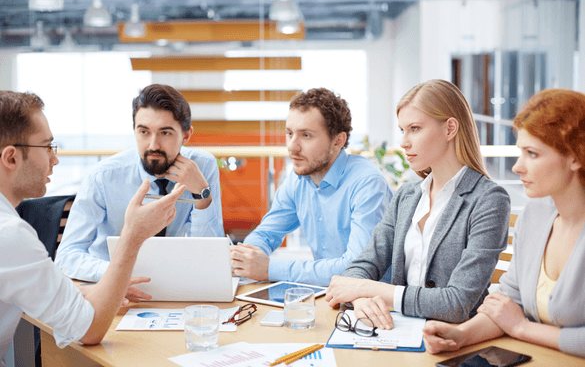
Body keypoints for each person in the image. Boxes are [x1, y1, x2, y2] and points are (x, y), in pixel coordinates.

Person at [0, 90, 186, 365]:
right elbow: (88, 329)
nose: (55, 160)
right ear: (11, 158)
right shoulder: (10, 235)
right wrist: (132, 236)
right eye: (47, 147)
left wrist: (82, 292)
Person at [325, 79, 511, 329]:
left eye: (414, 128)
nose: (404, 142)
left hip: (458, 341)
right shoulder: (407, 196)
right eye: (402, 130)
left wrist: (367, 288)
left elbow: (457, 303)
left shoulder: (489, 200)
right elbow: (362, 266)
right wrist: (360, 299)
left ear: (450, 129)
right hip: (399, 331)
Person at [423, 89, 585, 358]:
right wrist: (462, 335)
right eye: (520, 152)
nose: (517, 168)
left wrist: (522, 328)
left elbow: (515, 321)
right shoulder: (536, 214)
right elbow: (508, 304)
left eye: (532, 154)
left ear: (575, 157)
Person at [55, 84, 224, 283]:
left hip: (172, 282)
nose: (153, 145)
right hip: (109, 283)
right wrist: (119, 274)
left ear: (186, 135)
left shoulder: (202, 166)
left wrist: (202, 195)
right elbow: (66, 257)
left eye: (165, 133)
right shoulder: (102, 177)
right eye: (144, 132)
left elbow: (209, 257)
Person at [230, 88, 392, 286]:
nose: (292, 146)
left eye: (306, 135)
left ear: (338, 141)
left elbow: (355, 269)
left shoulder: (367, 183)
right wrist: (245, 258)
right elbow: (266, 234)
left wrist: (269, 269)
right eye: (289, 133)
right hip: (328, 296)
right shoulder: (298, 179)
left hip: (371, 302)